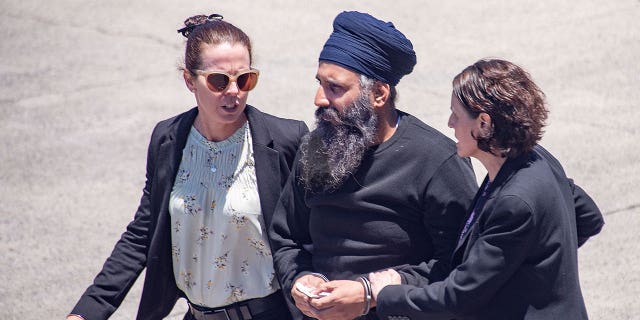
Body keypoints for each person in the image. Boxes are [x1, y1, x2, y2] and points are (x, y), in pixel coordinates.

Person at [67, 14, 308, 320]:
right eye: (219, 80)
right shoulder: (168, 139)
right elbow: (144, 232)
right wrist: (89, 310)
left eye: (244, 78)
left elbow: (315, 232)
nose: (233, 91)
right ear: (189, 81)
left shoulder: (286, 141)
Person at [269, 11, 478, 320]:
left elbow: (461, 267)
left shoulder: (436, 161)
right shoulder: (314, 148)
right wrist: (300, 279)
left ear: (379, 94)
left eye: (335, 88)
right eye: (320, 84)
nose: (318, 99)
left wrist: (372, 293)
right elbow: (287, 239)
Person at [369, 58, 605, 320]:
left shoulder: (514, 202)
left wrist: (387, 294)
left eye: (456, 115)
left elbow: (457, 298)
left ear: (483, 122)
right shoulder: (539, 159)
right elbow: (589, 217)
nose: (449, 123)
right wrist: (535, 266)